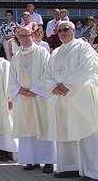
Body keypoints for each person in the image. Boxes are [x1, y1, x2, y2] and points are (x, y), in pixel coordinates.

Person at [40, 21, 98, 180]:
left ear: (73, 31)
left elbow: (88, 67)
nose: (62, 32)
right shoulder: (56, 52)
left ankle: (93, 171)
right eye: (59, 30)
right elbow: (47, 74)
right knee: (64, 131)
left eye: (66, 29)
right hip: (60, 98)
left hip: (78, 96)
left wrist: (67, 85)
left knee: (86, 132)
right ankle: (69, 167)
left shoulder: (83, 47)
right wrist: (54, 87)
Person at [9, 26, 55, 174]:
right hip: (23, 97)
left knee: (43, 127)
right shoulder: (16, 56)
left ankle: (48, 161)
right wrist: (18, 90)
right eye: (20, 36)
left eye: (26, 35)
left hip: (39, 97)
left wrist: (35, 89)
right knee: (27, 129)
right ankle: (31, 159)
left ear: (33, 36)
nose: (23, 38)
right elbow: (12, 78)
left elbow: (48, 72)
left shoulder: (42, 52)